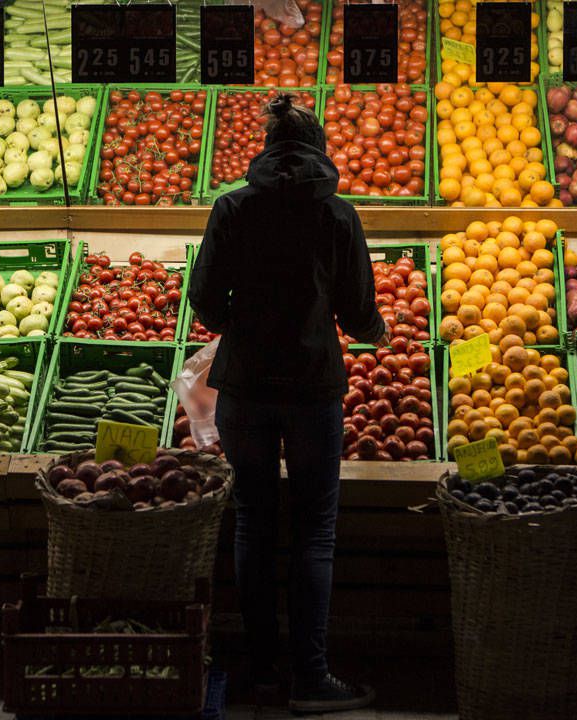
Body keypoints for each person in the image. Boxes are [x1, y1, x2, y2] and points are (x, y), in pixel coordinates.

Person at [188, 92, 385, 714]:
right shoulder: (338, 216)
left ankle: (260, 673)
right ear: (319, 149)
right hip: (311, 388)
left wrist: (238, 317)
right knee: (313, 534)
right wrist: (378, 330)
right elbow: (357, 316)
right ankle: (311, 677)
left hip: (243, 386)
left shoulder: (231, 208)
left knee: (252, 522)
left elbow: (205, 302)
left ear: (267, 149)